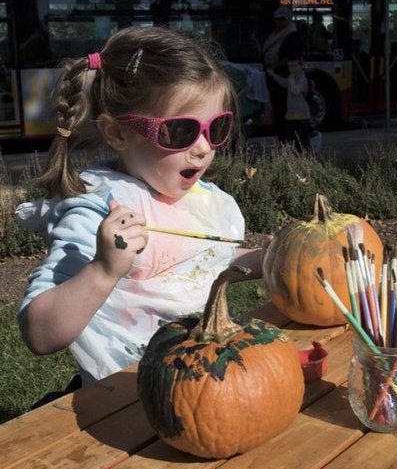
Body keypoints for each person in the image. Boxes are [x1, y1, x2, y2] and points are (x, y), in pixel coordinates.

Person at [15, 26, 267, 388]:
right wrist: (103, 270)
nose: (202, 148)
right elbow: (39, 334)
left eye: (217, 128)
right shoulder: (98, 212)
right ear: (117, 134)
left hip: (197, 381)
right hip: (123, 397)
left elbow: (200, 260)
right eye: (180, 131)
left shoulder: (198, 197)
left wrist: (262, 258)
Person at [262, 6, 303, 139]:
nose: (279, 22)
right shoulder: (274, 35)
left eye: (282, 19)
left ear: (289, 20)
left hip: (287, 80)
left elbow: (292, 57)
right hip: (276, 81)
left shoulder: (292, 35)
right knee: (280, 113)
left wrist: (273, 66)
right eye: (277, 19)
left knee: (287, 114)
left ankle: (292, 144)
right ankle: (284, 143)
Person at [267, 54, 311, 152]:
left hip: (301, 114)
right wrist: (273, 75)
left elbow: (296, 91)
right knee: (292, 138)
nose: (292, 69)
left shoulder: (302, 79)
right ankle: (295, 155)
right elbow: (283, 82)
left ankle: (306, 157)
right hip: (292, 114)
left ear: (301, 66)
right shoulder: (293, 78)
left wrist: (290, 79)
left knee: (302, 140)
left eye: (295, 66)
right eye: (290, 67)